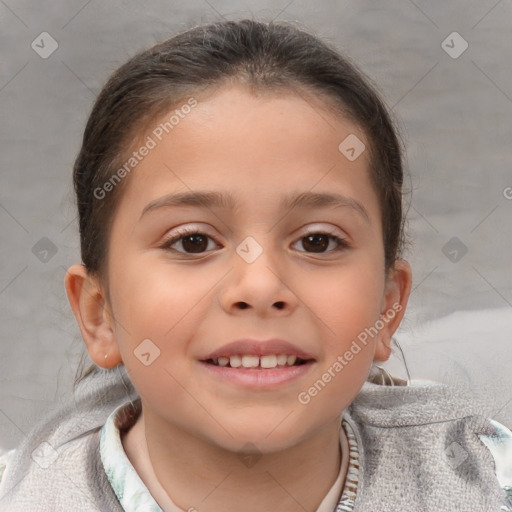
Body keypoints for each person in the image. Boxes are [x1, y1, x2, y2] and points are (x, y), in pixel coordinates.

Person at [0, 18, 511, 512]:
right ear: (98, 313)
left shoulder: (488, 483)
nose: (261, 285)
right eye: (194, 242)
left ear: (388, 304)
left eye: (317, 241)